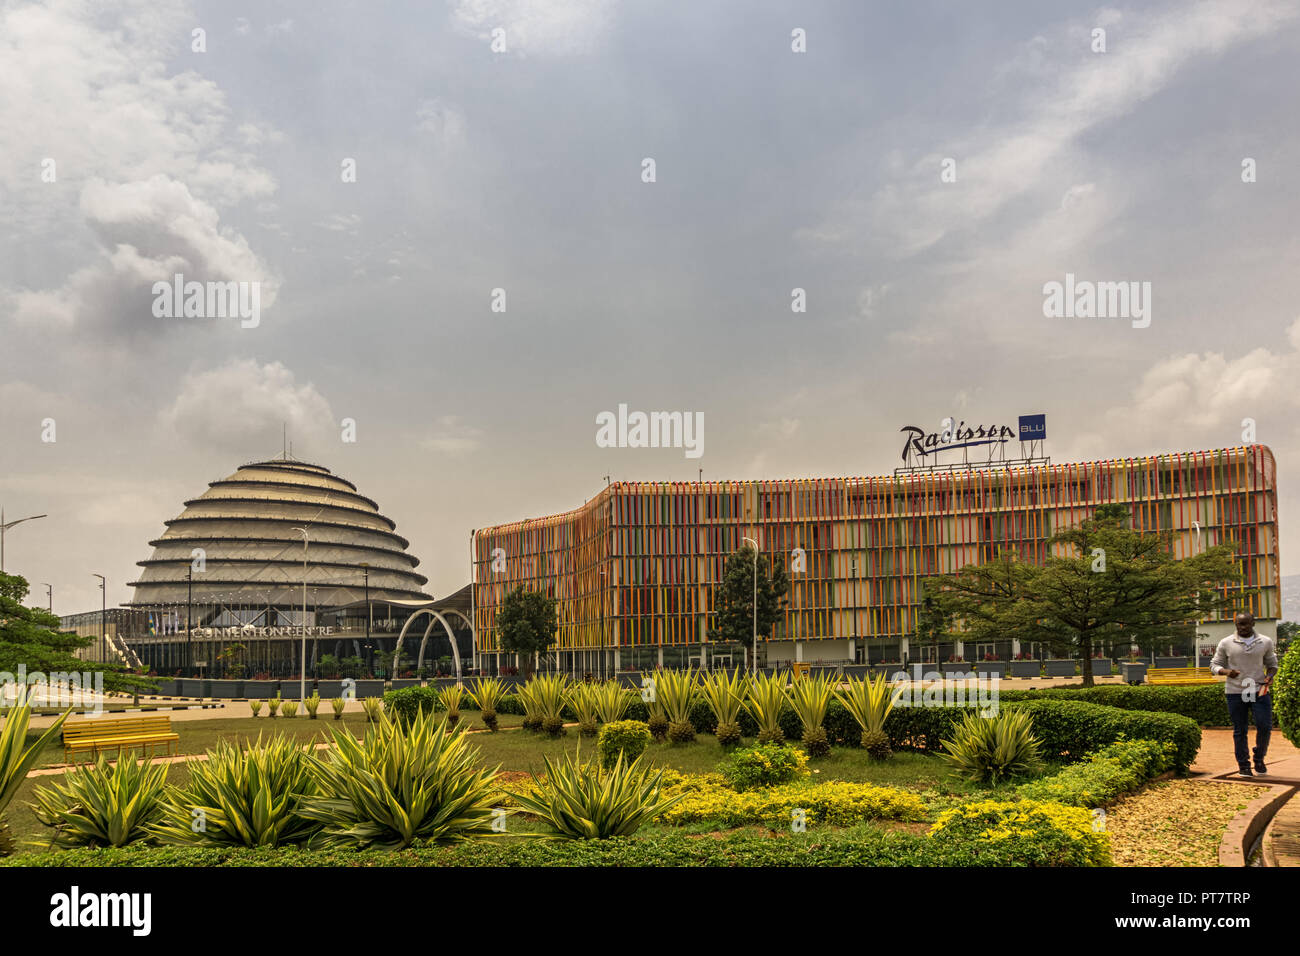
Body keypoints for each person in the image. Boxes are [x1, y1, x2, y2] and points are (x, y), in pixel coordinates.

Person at [1209, 612, 1279, 776]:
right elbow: (1214, 665)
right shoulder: (1226, 642)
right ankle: (1244, 765)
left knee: (1264, 726)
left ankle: (1259, 757)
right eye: (1239, 624)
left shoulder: (1265, 642)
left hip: (1258, 690)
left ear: (1253, 623)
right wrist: (1226, 671)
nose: (1243, 627)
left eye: (1246, 624)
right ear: (1235, 624)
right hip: (1235, 691)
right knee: (1240, 729)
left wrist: (1269, 676)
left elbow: (1272, 665)